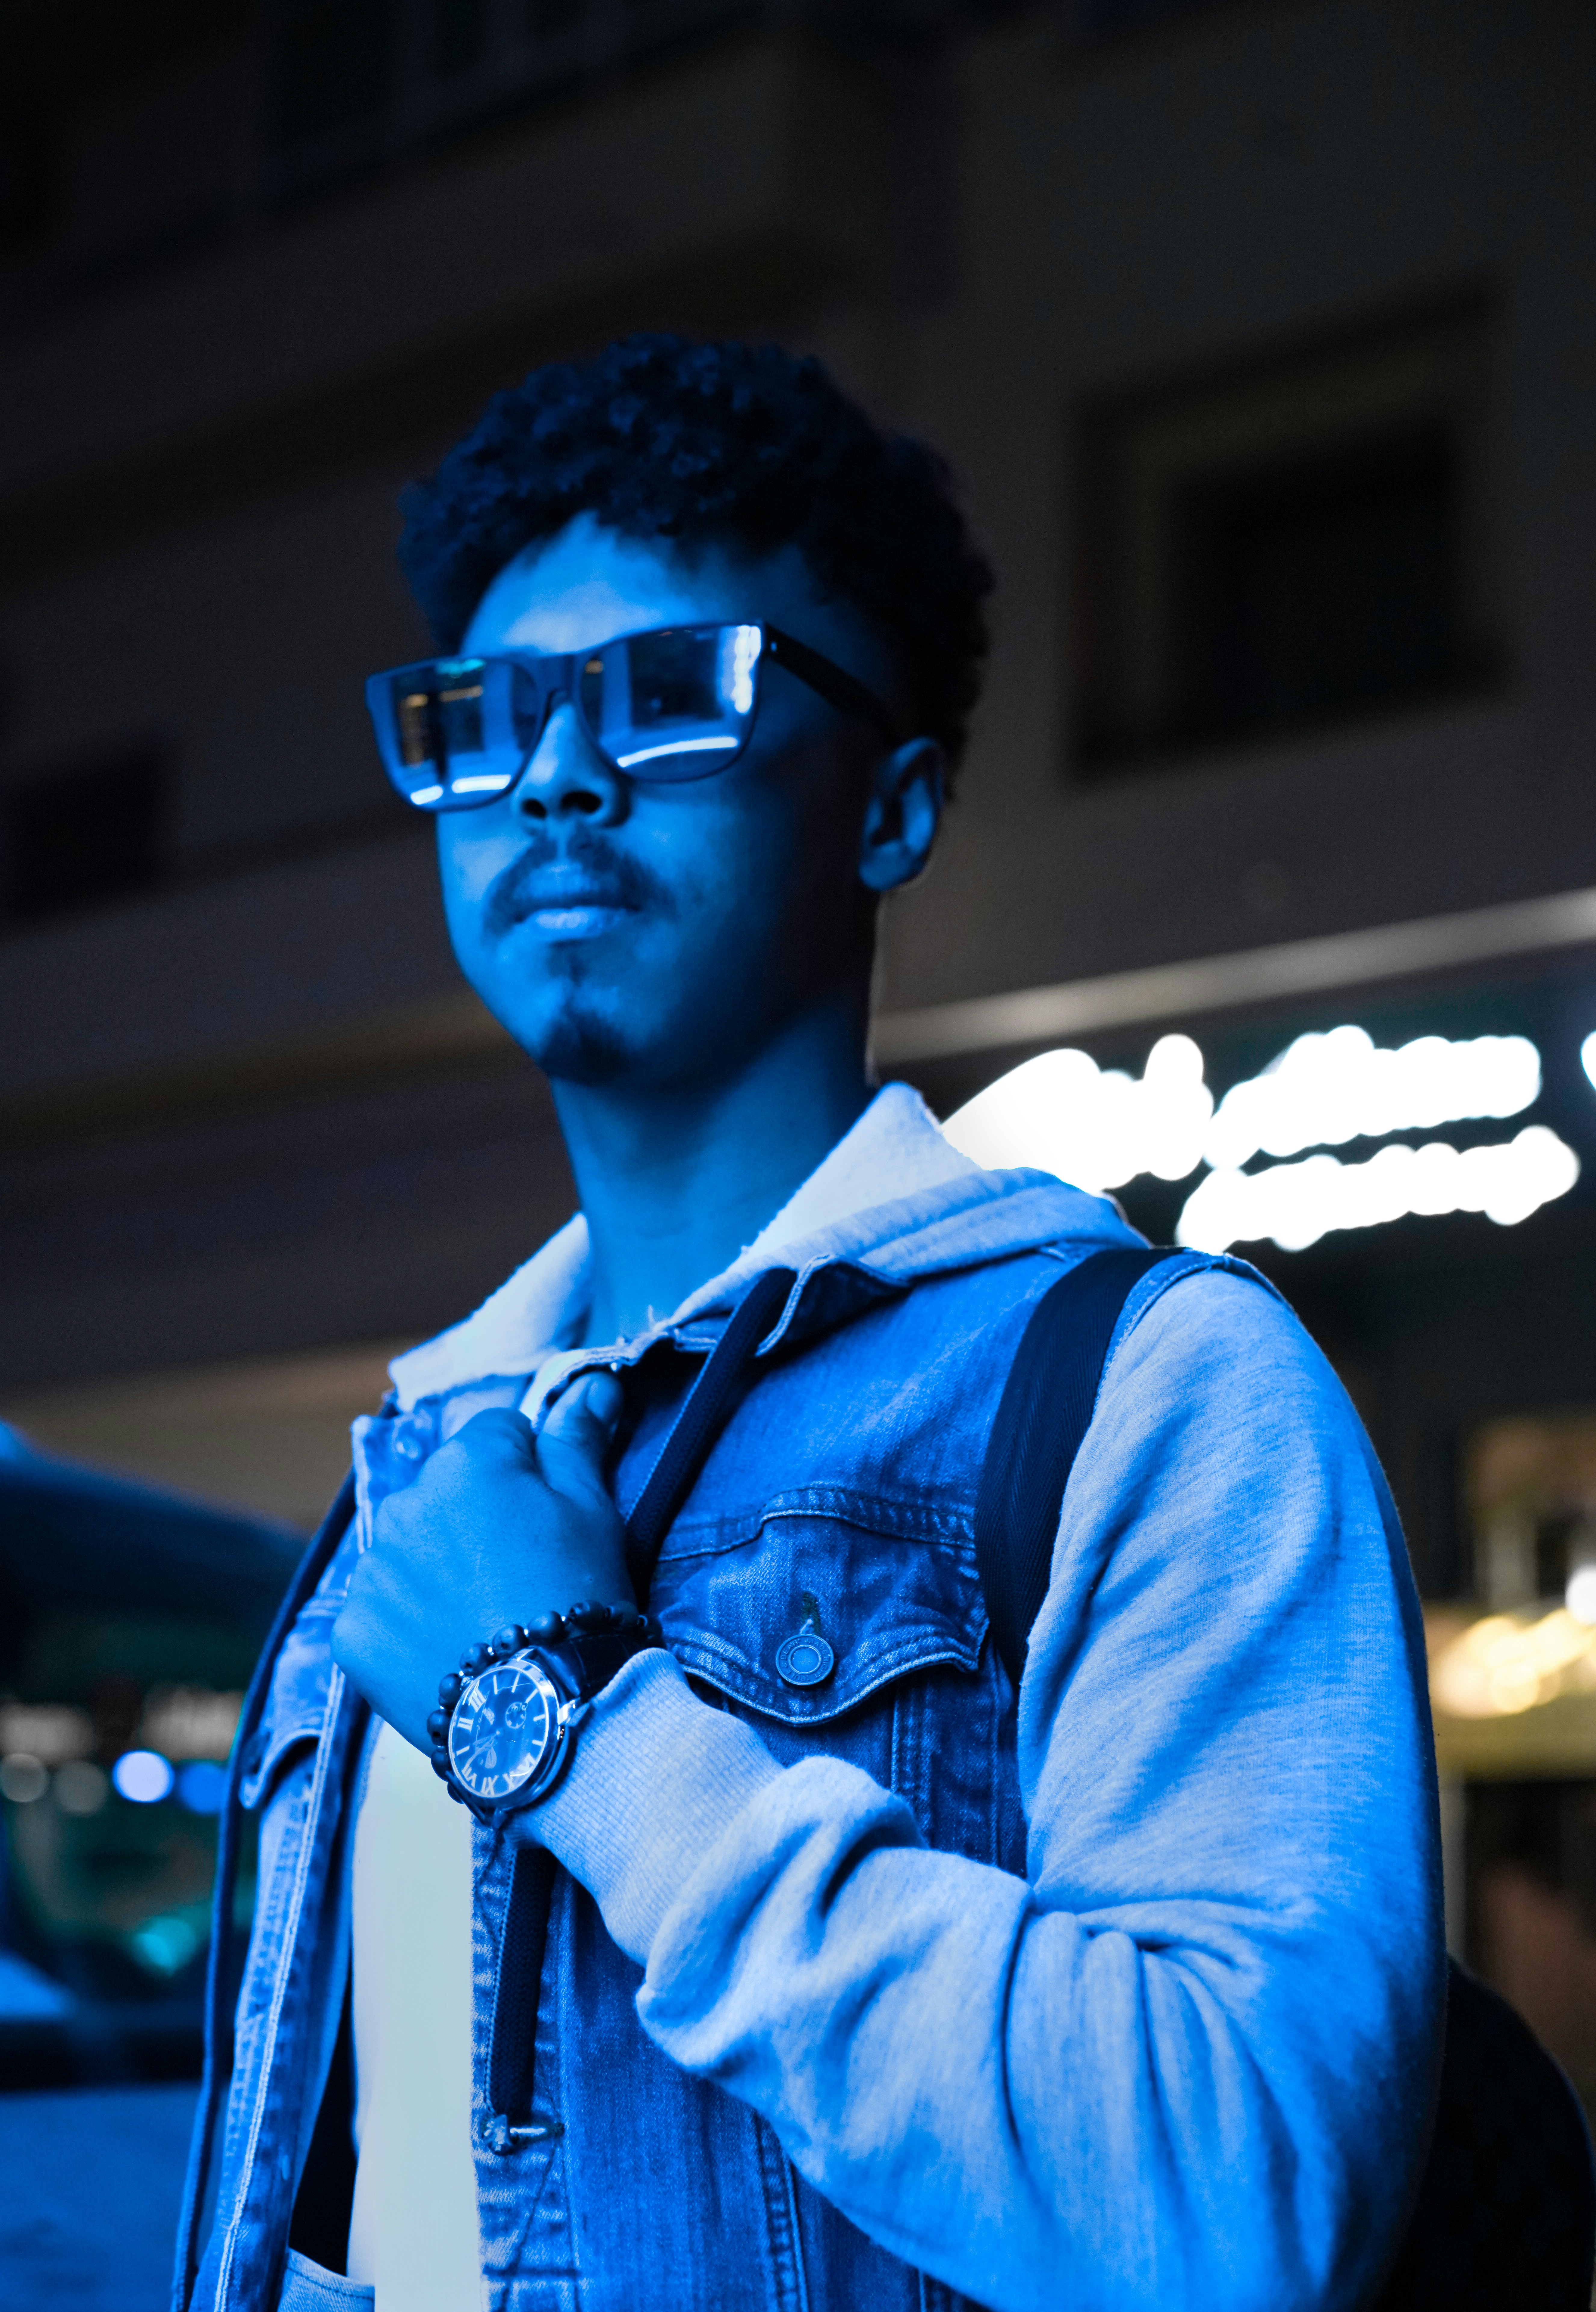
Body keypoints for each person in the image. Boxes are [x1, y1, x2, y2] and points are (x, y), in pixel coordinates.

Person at [175, 335, 1442, 2312]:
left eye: (671, 697)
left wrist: (573, 1713)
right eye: (489, 716)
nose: (561, 773)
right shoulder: (423, 1473)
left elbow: (1235, 2197)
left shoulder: (1144, 1383)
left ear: (892, 808)